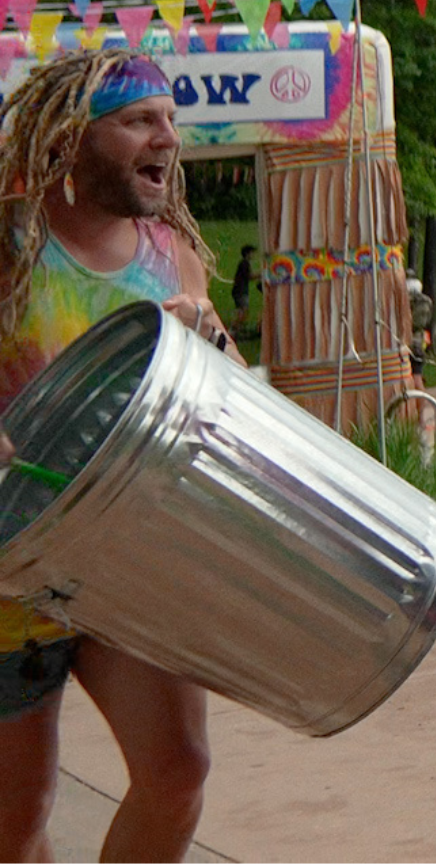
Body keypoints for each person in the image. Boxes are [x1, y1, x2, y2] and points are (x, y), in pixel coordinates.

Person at [0, 49, 239, 863]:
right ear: (72, 136)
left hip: (134, 563)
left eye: (171, 121)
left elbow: (231, 398)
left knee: (178, 771)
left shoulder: (170, 250)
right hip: (11, 572)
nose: (166, 138)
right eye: (140, 120)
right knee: (18, 817)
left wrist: (211, 341)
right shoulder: (9, 244)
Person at [231, 242, 257, 331]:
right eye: (252, 253)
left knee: (242, 311)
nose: (253, 255)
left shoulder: (244, 263)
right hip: (240, 291)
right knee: (244, 311)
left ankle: (237, 328)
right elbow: (250, 276)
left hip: (239, 290)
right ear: (248, 253)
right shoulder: (244, 264)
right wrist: (262, 274)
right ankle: (234, 328)